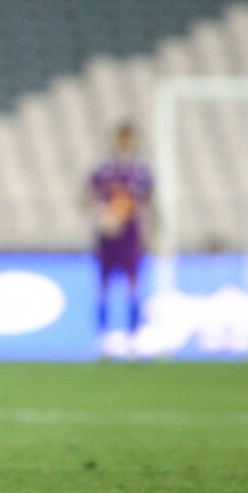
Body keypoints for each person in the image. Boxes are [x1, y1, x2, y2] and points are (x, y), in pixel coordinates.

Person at [83, 121, 154, 355]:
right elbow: (87, 196)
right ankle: (104, 340)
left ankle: (133, 339)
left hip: (131, 234)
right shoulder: (103, 168)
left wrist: (152, 230)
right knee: (103, 286)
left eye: (129, 138)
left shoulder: (141, 170)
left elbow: (148, 200)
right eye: (123, 138)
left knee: (133, 285)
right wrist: (101, 214)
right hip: (107, 236)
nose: (126, 142)